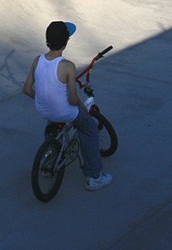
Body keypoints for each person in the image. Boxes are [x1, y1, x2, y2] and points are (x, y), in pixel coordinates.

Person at [22, 21, 113, 191]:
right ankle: (94, 177)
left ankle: (48, 162)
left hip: (43, 109)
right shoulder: (68, 66)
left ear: (47, 40)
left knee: (53, 125)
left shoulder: (37, 61)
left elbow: (26, 89)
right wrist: (83, 108)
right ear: (66, 42)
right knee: (90, 129)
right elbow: (72, 99)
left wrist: (41, 97)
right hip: (64, 111)